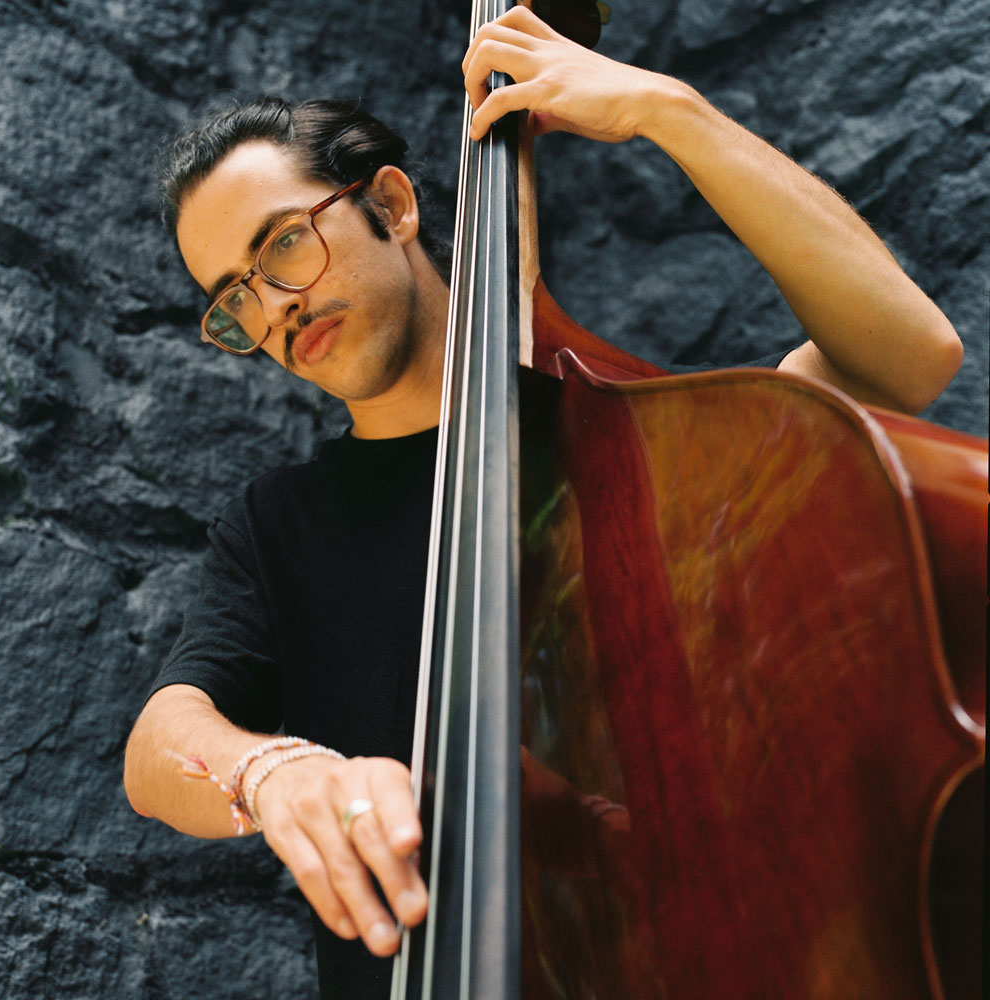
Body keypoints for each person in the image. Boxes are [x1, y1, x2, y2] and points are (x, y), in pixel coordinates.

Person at [123, 7, 963, 998]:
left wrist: (668, 109)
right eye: (235, 299)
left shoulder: (662, 440)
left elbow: (910, 357)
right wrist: (275, 775)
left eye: (283, 247)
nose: (274, 306)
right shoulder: (280, 526)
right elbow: (159, 746)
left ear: (389, 203)